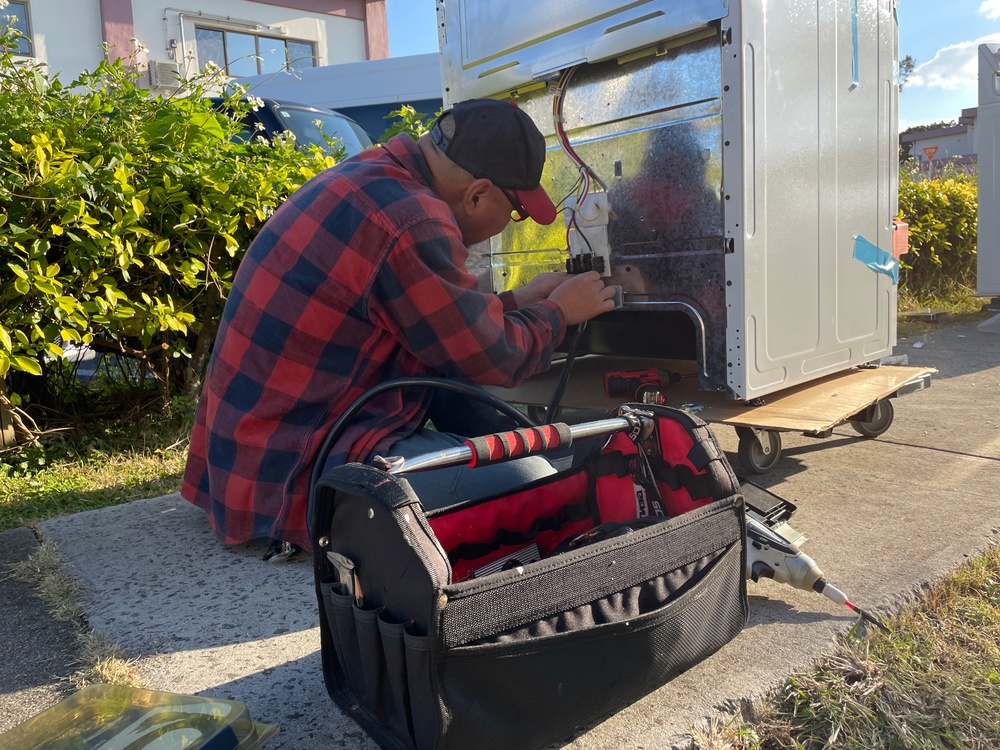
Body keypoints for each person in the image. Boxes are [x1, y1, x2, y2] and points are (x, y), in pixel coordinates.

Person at [181, 98, 617, 560]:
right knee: (539, 484)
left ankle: (503, 461)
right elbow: (495, 357)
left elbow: (438, 322)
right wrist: (558, 313)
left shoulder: (378, 174)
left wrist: (519, 300)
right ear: (477, 194)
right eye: (516, 213)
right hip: (294, 471)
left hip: (253, 453)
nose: (512, 223)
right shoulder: (412, 219)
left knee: (469, 400)